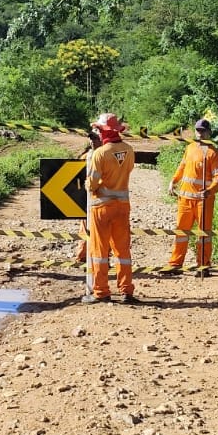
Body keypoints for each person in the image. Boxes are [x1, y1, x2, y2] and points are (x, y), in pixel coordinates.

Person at [83, 113, 137, 303]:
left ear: (104, 131)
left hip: (102, 208)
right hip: (122, 207)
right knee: (122, 251)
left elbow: (94, 183)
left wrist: (87, 183)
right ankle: (126, 290)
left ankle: (101, 292)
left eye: (98, 129)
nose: (96, 132)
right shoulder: (129, 150)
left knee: (100, 251)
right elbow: (126, 171)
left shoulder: (100, 154)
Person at [168, 117, 218, 273]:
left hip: (203, 200)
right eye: (198, 130)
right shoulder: (190, 147)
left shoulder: (213, 153)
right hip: (185, 199)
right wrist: (173, 181)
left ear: (209, 133)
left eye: (203, 131)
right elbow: (182, 166)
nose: (200, 134)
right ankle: (175, 264)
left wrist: (210, 191)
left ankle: (203, 265)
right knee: (181, 232)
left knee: (203, 234)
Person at [71, 127, 101, 267]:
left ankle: (101, 259)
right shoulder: (85, 157)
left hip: (103, 201)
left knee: (102, 232)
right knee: (85, 229)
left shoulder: (106, 155)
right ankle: (82, 257)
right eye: (91, 137)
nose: (92, 140)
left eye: (96, 137)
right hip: (88, 200)